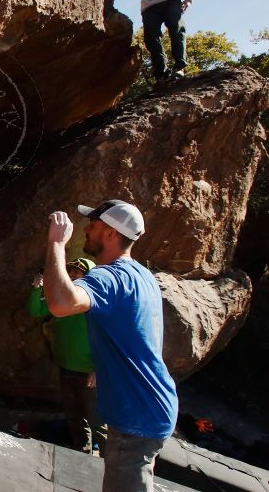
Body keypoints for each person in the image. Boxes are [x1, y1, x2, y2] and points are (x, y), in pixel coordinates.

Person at [42, 200, 178, 492]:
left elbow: (60, 303)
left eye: (94, 224)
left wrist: (56, 244)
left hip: (136, 419)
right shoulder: (142, 276)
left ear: (110, 234)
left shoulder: (109, 278)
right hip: (151, 407)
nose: (87, 229)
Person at [26, 258, 107, 456]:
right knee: (74, 416)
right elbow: (35, 310)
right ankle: (82, 454)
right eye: (70, 270)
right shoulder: (60, 299)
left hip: (88, 372)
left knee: (97, 420)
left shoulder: (95, 304)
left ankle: (111, 460)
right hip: (66, 367)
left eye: (77, 272)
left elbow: (107, 341)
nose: (71, 275)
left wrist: (99, 369)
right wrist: (37, 288)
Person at [117, 0, 195, 83]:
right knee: (151, 37)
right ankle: (161, 74)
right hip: (150, 5)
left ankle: (180, 67)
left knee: (176, 26)